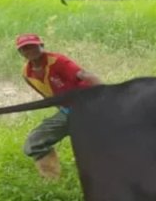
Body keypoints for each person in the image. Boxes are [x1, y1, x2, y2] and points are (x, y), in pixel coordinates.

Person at [15, 33, 101, 180]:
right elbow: (48, 96)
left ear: (41, 46)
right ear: (21, 53)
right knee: (35, 142)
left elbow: (86, 75)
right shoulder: (26, 74)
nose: (30, 51)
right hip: (68, 112)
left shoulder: (57, 61)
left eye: (33, 46)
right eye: (25, 48)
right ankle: (52, 181)